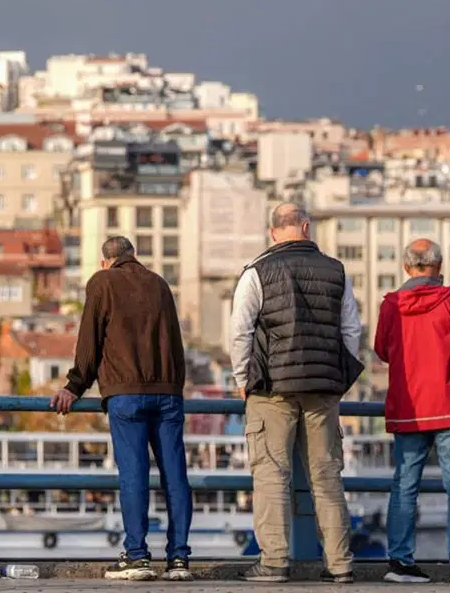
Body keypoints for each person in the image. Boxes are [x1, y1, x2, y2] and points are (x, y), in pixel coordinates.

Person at [228, 203, 362, 585]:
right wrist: (340, 379)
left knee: (271, 473)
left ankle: (274, 561)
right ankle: (340, 564)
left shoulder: (257, 272)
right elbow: (352, 331)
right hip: (323, 390)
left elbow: (240, 331)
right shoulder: (336, 271)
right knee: (326, 476)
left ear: (273, 232)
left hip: (272, 389)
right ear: (306, 227)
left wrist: (243, 379)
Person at [51, 236, 194, 583]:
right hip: (167, 394)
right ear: (134, 256)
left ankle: (137, 556)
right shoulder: (159, 284)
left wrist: (74, 386)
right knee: (175, 475)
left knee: (134, 475)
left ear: (106, 262)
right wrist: (174, 388)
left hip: (126, 394)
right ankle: (178, 560)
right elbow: (175, 342)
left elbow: (89, 340)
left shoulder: (102, 283)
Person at [372, 239, 450, 586]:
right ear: (439, 266)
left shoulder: (391, 305)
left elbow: (382, 350)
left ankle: (400, 562)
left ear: (406, 268)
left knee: (405, 484)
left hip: (409, 407)